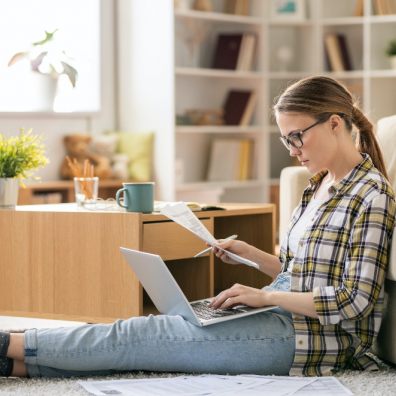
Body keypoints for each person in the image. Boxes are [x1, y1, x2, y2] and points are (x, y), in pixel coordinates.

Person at [0, 76, 395, 378]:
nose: (292, 150)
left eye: (297, 137)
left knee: (145, 339)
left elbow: (353, 300)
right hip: (280, 317)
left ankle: (10, 344)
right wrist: (253, 257)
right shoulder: (317, 185)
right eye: (284, 139)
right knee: (154, 331)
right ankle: (15, 364)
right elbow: (302, 274)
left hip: (312, 339)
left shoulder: (372, 196)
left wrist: (264, 298)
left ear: (335, 124)